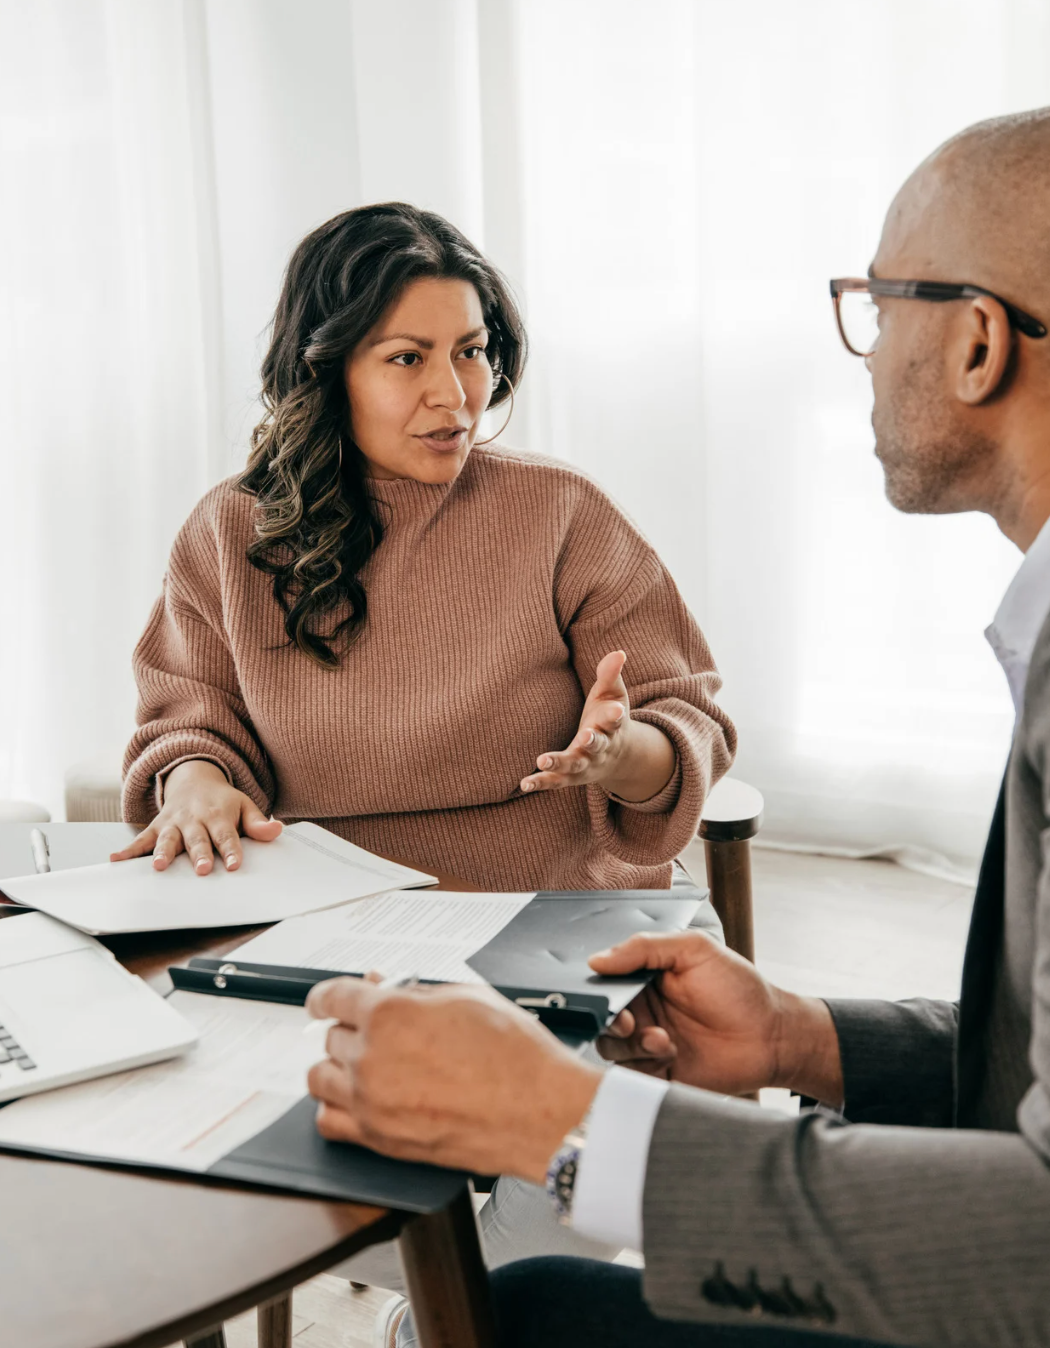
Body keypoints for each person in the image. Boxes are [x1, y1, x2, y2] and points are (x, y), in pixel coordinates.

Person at [306, 102, 1050, 1348]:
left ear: (973, 343)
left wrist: (565, 1124)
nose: (864, 350)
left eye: (877, 302)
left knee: (506, 1320)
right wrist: (803, 1037)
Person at [117, 203, 735, 1269]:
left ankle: (452, 1317)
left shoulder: (561, 511)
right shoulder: (231, 530)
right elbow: (188, 710)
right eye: (409, 358)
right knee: (210, 1157)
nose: (456, 395)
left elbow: (686, 712)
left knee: (600, 1185)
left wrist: (619, 752)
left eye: (473, 351)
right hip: (344, 933)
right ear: (328, 371)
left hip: (566, 907)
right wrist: (196, 781)